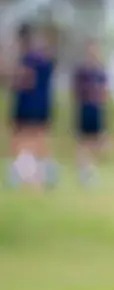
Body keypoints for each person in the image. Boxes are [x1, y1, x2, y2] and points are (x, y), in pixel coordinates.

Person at [8, 24, 56, 189]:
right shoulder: (44, 60)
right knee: (36, 140)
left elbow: (21, 81)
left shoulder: (27, 60)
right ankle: (39, 176)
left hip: (29, 105)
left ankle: (31, 176)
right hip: (41, 105)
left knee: (24, 140)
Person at [72, 40, 109, 186]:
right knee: (82, 141)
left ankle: (91, 168)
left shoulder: (100, 71)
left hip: (96, 109)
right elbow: (76, 91)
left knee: (97, 141)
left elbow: (104, 91)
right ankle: (83, 170)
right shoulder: (82, 71)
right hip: (85, 108)